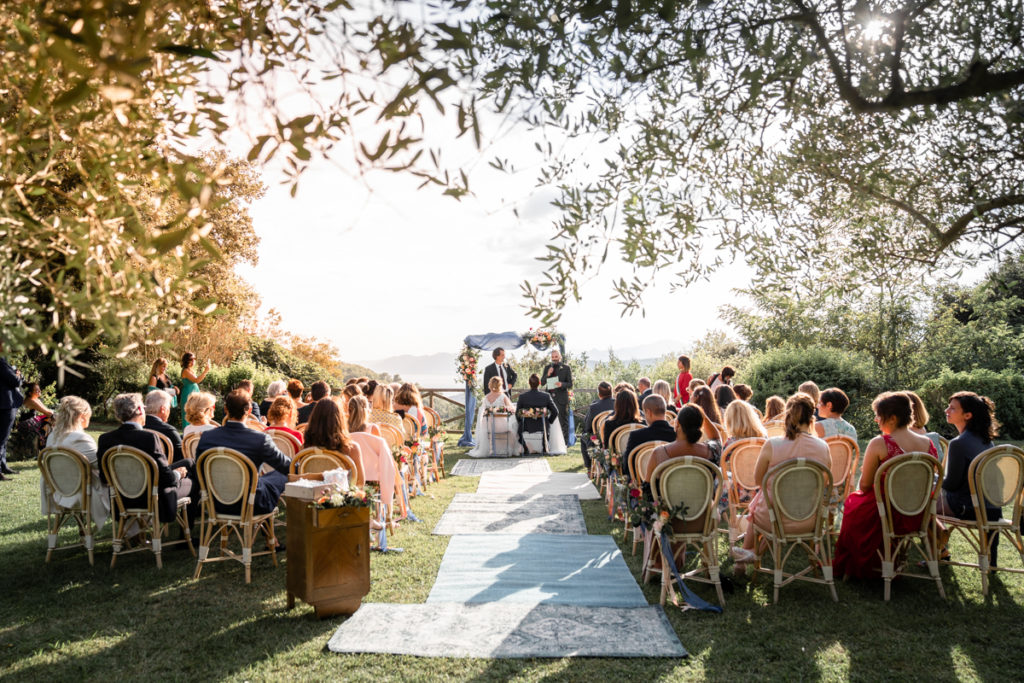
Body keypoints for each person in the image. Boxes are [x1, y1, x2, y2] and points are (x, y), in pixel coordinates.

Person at [833, 392, 937, 579]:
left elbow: (864, 486)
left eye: (878, 416)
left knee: (853, 505)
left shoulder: (880, 443)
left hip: (886, 512)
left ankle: (864, 564)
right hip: (917, 513)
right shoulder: (928, 444)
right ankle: (883, 560)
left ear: (893, 418)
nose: (876, 420)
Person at [733, 393, 831, 573]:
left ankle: (747, 557)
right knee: (769, 503)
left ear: (788, 415)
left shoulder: (773, 444)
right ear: (811, 418)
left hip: (774, 518)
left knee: (762, 504)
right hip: (810, 520)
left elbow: (758, 480)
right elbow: (824, 482)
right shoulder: (823, 447)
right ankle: (753, 553)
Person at [98, 393, 200, 529]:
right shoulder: (149, 438)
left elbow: (104, 477)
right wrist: (177, 474)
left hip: (121, 500)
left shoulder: (105, 439)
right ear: (140, 410)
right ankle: (186, 535)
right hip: (153, 499)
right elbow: (167, 478)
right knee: (192, 482)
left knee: (188, 463)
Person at [196, 390, 292, 520]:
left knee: (265, 480)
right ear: (250, 410)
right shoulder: (260, 439)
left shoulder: (207, 437)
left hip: (216, 503)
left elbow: (199, 469)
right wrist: (301, 466)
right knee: (280, 474)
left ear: (225, 409)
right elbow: (286, 466)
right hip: (251, 504)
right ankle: (271, 534)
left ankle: (270, 536)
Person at [936, 391, 1002, 563]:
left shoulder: (958, 443)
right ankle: (991, 561)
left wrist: (933, 479)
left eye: (952, 408)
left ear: (967, 415)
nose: (946, 410)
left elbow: (951, 484)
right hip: (993, 509)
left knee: (920, 505)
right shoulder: (987, 442)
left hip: (968, 508)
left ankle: (937, 552)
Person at [42, 396, 111, 528]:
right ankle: (132, 532)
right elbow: (101, 466)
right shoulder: (81, 438)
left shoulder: (52, 437)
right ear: (82, 416)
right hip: (83, 493)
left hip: (58, 492)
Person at [646, 405, 723, 482]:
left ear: (678, 424)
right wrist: (703, 415)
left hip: (669, 494)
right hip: (706, 494)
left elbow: (648, 488)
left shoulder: (658, 453)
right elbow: (716, 438)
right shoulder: (712, 451)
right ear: (700, 425)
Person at [347, 395, 395, 512]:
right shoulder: (372, 428)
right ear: (366, 410)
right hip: (373, 479)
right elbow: (382, 455)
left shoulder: (344, 430)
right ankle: (380, 515)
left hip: (350, 477)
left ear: (348, 411)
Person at [302, 397, 363, 474]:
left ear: (313, 419)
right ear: (340, 420)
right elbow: (360, 482)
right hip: (340, 486)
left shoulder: (304, 449)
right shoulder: (351, 449)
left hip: (310, 485)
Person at [469, 376, 522, 457]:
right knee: (514, 428)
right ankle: (508, 450)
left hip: (488, 427)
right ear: (500, 385)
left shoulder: (486, 397)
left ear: (490, 385)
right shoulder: (503, 396)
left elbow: (482, 413)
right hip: (502, 427)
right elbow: (512, 410)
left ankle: (494, 449)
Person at [515, 374, 566, 455]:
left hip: (526, 425)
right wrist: (549, 421)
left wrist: (521, 422)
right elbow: (555, 411)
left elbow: (517, 413)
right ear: (539, 383)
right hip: (542, 425)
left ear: (529, 383)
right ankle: (544, 447)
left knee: (518, 431)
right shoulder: (546, 396)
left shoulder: (522, 397)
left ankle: (525, 448)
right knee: (547, 429)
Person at [624, 395, 677, 463]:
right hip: (670, 473)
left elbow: (627, 465)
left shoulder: (636, 436)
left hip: (642, 473)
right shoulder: (677, 434)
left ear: (648, 412)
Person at [0, 345, 24, 479]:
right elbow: (14, 381)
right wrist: (19, 376)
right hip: (5, 404)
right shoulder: (1, 361)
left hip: (5, 404)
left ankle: (3, 466)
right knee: (1, 438)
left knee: (3, 439)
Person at [541, 349, 573, 442]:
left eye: (556, 357)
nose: (554, 359)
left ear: (560, 357)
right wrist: (548, 374)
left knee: (563, 421)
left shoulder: (566, 368)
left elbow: (570, 384)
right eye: (552, 357)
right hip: (549, 398)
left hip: (561, 398)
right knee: (548, 420)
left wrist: (562, 384)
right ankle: (550, 441)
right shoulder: (547, 368)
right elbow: (542, 382)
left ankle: (564, 443)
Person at [580, 381, 614, 469]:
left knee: (584, 436)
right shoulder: (619, 404)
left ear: (599, 394)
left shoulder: (594, 407)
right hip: (615, 437)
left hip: (598, 440)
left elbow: (587, 427)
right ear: (612, 392)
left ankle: (589, 467)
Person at [144, 390, 184, 462]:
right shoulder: (168, 430)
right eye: (169, 408)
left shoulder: (138, 427)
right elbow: (181, 456)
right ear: (163, 409)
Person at [17, 382, 53, 450]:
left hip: (33, 422)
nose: (39, 391)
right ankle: (44, 443)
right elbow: (47, 413)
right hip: (25, 424)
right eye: (36, 390)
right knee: (49, 418)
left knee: (50, 418)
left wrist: (51, 413)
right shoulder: (30, 401)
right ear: (30, 393)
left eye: (39, 389)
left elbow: (47, 411)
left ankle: (45, 442)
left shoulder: (36, 399)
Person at [179, 352, 210, 429]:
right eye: (191, 360)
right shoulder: (185, 371)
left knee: (197, 413)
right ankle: (187, 435)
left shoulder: (190, 370)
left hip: (194, 392)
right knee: (189, 414)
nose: (193, 361)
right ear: (187, 360)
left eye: (194, 359)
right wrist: (205, 371)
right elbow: (197, 380)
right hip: (188, 394)